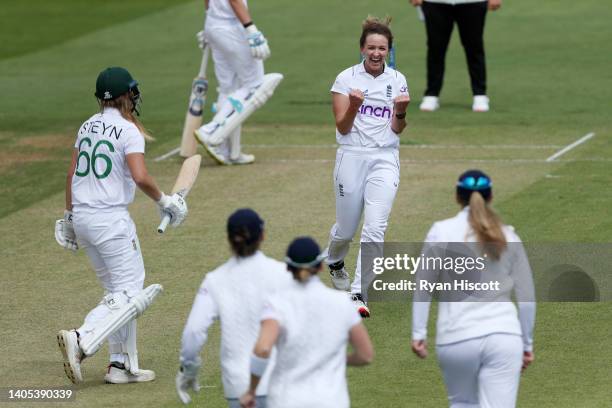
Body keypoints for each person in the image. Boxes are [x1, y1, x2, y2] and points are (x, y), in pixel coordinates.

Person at [55, 66, 188, 384]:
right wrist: (165, 202)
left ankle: (119, 366)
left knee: (117, 293)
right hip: (110, 221)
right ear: (126, 95)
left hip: (84, 219)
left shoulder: (87, 125)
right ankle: (82, 336)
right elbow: (140, 176)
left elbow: (73, 173)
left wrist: (70, 217)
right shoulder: (129, 131)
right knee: (130, 292)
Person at [411, 170, 536, 408]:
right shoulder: (509, 235)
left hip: (456, 337)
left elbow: (423, 286)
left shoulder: (441, 230)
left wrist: (419, 333)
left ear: (457, 197)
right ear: (490, 197)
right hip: (504, 337)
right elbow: (527, 297)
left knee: (462, 403)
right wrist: (527, 345)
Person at [325, 16, 410, 317]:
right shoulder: (345, 79)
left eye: (382, 49)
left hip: (385, 158)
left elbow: (398, 129)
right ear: (362, 49)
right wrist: (355, 105)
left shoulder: (397, 80)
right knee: (347, 229)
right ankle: (334, 259)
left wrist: (400, 112)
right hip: (351, 155)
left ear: (388, 51)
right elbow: (342, 127)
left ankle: (359, 292)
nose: (376, 53)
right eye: (371, 48)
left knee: (375, 227)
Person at [176, 208, 292, 406]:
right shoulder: (282, 273)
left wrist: (189, 369)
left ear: (229, 240)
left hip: (238, 388)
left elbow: (193, 332)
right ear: (262, 236)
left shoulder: (214, 281)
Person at [239, 237, 373, 408]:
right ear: (320, 266)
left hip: (286, 400)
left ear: (288, 268)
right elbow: (365, 355)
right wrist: (337, 359)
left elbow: (263, 349)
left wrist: (251, 391)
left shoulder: (276, 304)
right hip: (332, 401)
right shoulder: (342, 303)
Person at [193, 0, 283, 165]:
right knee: (255, 86)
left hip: (214, 25)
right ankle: (211, 130)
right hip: (232, 27)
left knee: (229, 88)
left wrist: (209, 21)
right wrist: (251, 29)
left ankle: (229, 151)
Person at [409, 0, 502, 112]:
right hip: (435, 3)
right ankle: (431, 94)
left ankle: (480, 95)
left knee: (474, 47)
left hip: (472, 3)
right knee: (435, 48)